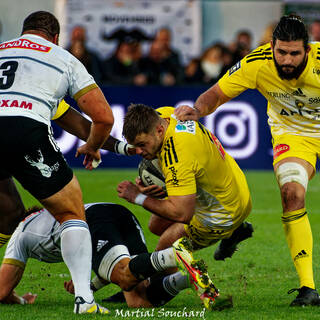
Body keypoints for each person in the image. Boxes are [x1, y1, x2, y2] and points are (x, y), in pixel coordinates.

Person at [174, 14, 320, 307]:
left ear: (308, 48)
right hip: (294, 136)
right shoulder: (258, 63)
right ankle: (308, 287)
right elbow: (216, 93)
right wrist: (199, 110)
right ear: (272, 46)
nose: (287, 60)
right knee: (291, 193)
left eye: (294, 53)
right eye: (281, 52)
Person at [0, 11, 114, 314]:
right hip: (24, 130)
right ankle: (84, 300)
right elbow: (103, 117)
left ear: (23, 33)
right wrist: (92, 147)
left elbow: (67, 115)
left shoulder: (3, 49)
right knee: (71, 212)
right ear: (55, 37)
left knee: (9, 214)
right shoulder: (61, 57)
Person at [0, 203, 222, 311]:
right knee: (138, 300)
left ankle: (175, 254)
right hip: (118, 213)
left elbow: (1, 291)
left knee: (125, 276)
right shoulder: (47, 219)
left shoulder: (20, 233)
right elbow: (110, 264)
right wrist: (91, 287)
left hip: (94, 220)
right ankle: (190, 279)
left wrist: (21, 300)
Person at [117, 104, 253, 271]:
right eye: (134, 145)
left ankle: (150, 295)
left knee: (163, 255)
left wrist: (137, 197)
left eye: (142, 145)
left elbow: (182, 213)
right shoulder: (166, 114)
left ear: (159, 131)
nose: (138, 151)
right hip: (235, 187)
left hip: (222, 214)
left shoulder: (177, 153)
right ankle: (235, 232)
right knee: (155, 225)